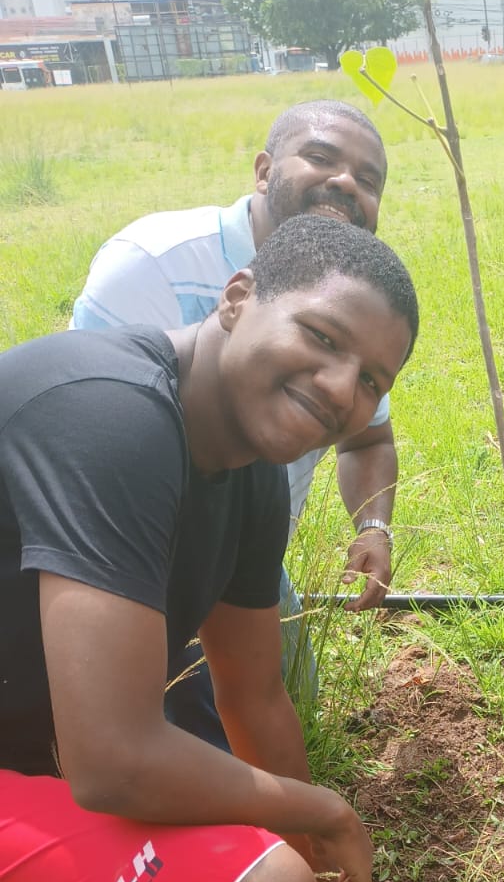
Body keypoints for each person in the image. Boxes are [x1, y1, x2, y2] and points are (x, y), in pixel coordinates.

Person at [0, 215, 418, 882]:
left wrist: (314, 848)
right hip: (59, 763)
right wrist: (311, 821)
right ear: (236, 298)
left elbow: (253, 695)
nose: (340, 389)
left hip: (29, 758)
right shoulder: (107, 413)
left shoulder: (246, 481)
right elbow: (112, 762)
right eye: (322, 338)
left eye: (370, 379)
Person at [73, 99, 398, 740]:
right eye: (322, 158)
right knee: (161, 732)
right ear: (263, 169)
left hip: (246, 545)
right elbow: (91, 441)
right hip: (123, 543)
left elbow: (370, 437)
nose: (344, 183)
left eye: (368, 178)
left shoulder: (351, 291)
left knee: (280, 701)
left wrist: (375, 525)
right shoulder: (153, 266)